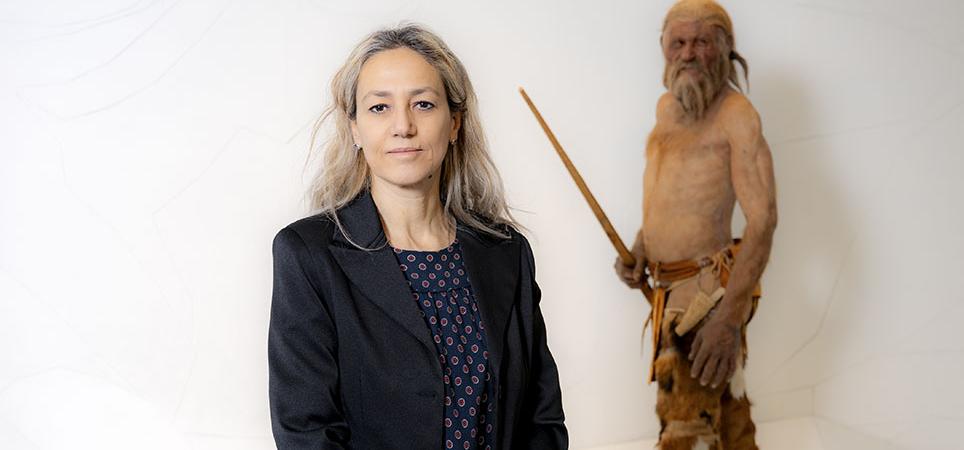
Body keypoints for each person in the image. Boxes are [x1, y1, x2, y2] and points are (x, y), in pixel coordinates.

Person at [268, 24, 567, 450]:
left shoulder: (506, 253)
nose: (403, 126)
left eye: (423, 104)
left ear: (454, 123)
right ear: (354, 128)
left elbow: (542, 421)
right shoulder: (308, 256)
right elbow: (306, 431)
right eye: (379, 108)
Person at [614, 1, 777, 448]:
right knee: (728, 418)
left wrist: (728, 319)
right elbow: (671, 196)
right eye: (678, 42)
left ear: (725, 49)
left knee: (685, 427)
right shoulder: (667, 108)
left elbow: (763, 222)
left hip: (705, 301)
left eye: (702, 42)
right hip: (669, 294)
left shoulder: (736, 116)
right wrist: (642, 247)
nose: (688, 53)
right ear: (663, 49)